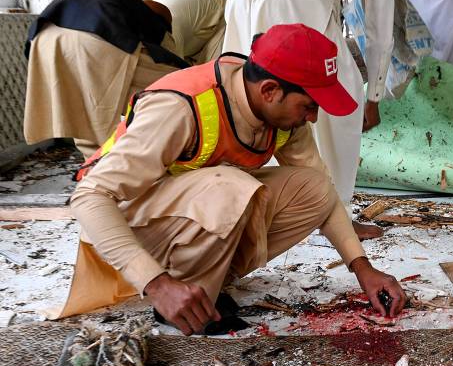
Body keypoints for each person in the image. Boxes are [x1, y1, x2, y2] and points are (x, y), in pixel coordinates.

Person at [63, 24, 407, 335]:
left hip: (184, 218)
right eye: (309, 105)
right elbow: (89, 197)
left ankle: (203, 289)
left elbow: (324, 194)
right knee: (233, 186)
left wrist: (362, 268)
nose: (313, 117)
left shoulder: (281, 117)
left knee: (314, 189)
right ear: (270, 90)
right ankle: (176, 298)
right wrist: (156, 283)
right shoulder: (183, 106)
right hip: (123, 233)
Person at [222, 0, 395, 241]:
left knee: (251, 89)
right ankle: (336, 214)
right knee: (334, 95)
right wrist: (374, 97)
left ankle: (250, 199)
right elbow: (379, 27)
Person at [24, 0, 188, 158]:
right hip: (92, 35)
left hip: (42, 39)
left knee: (79, 108)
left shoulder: (123, 4)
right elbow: (176, 71)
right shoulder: (158, 24)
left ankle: (94, 170)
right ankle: (122, 166)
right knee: (174, 91)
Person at [154, 0, 227, 65]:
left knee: (213, 72)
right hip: (196, 28)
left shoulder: (166, 31)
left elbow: (175, 71)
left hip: (220, 16)